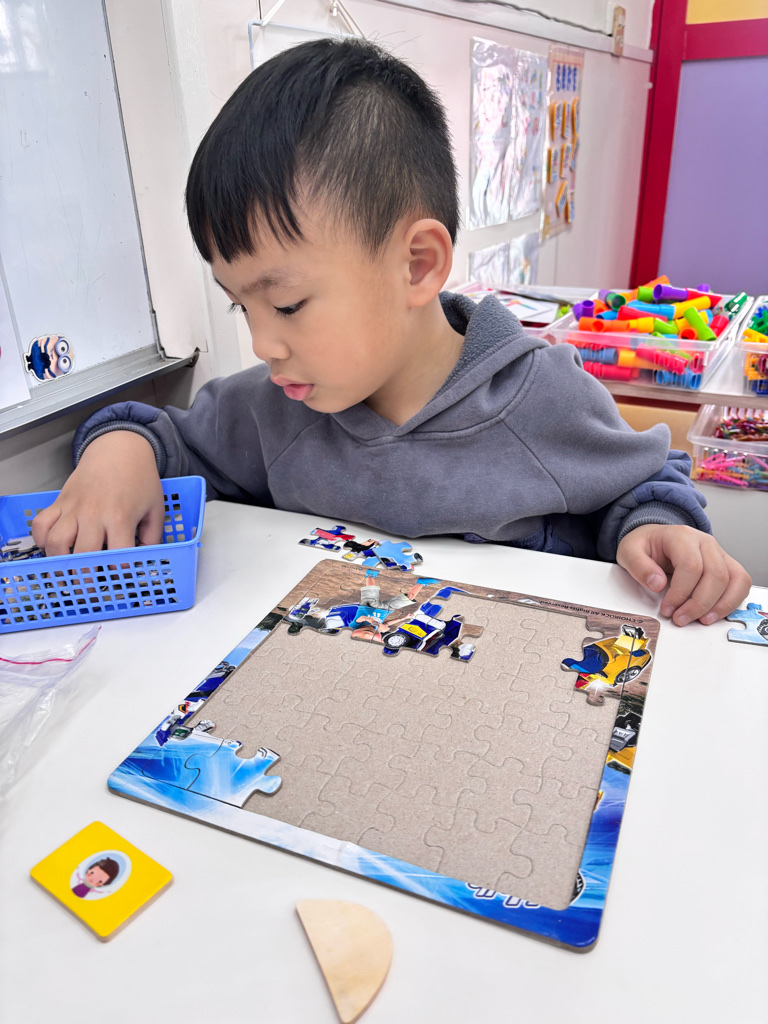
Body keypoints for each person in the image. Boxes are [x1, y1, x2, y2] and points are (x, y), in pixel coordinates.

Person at [31, 38, 750, 627]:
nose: (263, 344)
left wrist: (658, 528)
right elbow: (167, 438)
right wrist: (118, 453)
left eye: (287, 305)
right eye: (239, 308)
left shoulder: (542, 397)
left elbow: (643, 483)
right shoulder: (272, 406)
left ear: (417, 265)